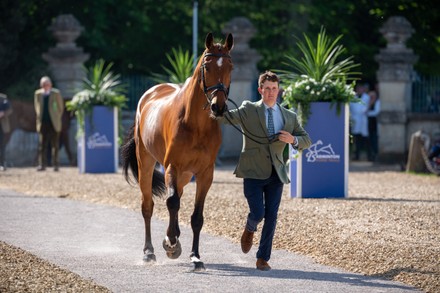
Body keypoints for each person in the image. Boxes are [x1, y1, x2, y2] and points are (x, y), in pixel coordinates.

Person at [221, 71, 311, 271]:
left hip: (276, 173)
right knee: (258, 212)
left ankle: (262, 258)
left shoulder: (289, 116)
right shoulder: (248, 109)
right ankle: (250, 228)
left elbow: (306, 140)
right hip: (252, 170)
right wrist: (215, 102)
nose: (271, 92)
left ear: (279, 90)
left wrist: (293, 140)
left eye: (274, 88)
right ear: (260, 90)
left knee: (272, 215)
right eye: (267, 88)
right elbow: (224, 118)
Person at [34, 76, 64, 171]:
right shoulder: (38, 94)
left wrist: (56, 117)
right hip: (43, 122)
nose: (45, 86)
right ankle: (42, 164)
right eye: (43, 84)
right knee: (42, 145)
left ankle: (56, 165)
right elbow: (37, 106)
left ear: (50, 84)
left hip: (53, 122)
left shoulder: (56, 93)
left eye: (47, 84)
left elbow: (60, 107)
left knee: (55, 145)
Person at [350, 83, 371, 161]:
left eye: (361, 89)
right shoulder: (352, 97)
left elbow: (365, 108)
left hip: (363, 119)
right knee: (356, 139)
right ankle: (357, 155)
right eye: (358, 89)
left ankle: (369, 155)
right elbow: (351, 108)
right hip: (355, 119)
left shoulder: (366, 97)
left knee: (366, 139)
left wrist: (363, 112)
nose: (360, 90)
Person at [0, 93, 13, 171]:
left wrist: (3, 113)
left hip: (2, 126)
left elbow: (10, 110)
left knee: (2, 145)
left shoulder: (3, 98)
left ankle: (2, 163)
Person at [367, 86, 380, 161]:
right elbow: (363, 111)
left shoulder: (377, 102)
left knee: (374, 140)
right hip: (368, 124)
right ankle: (371, 156)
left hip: (374, 124)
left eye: (373, 97)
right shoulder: (368, 103)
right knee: (370, 141)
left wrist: (368, 113)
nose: (371, 98)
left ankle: (375, 155)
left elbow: (376, 113)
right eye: (370, 97)